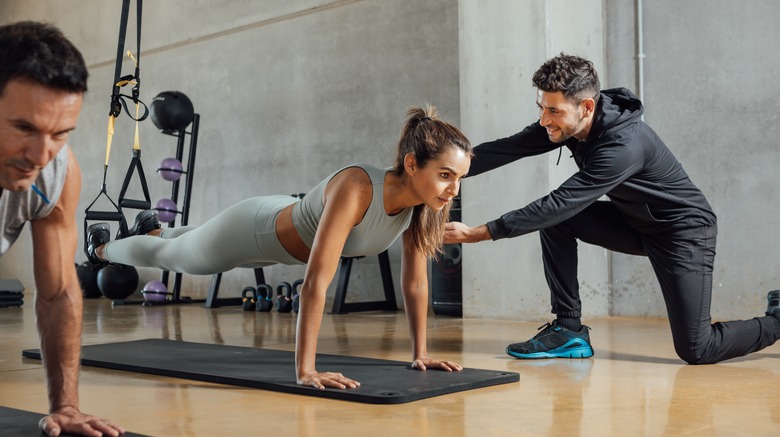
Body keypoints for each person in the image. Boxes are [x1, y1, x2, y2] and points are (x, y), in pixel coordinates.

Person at [87, 105, 471, 388]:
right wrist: (306, 370)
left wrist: (419, 354)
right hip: (255, 229)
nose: (452, 189)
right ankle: (102, 250)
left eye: (458, 178)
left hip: (278, 226)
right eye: (444, 175)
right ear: (410, 164)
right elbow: (316, 282)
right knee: (177, 258)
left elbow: (416, 284)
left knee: (183, 241)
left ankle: (150, 229)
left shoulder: (423, 207)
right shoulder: (358, 187)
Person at [444, 53, 780, 364]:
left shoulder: (623, 145)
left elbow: (564, 200)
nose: (544, 120)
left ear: (586, 107)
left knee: (697, 348)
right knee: (559, 221)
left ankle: (777, 320)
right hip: (636, 224)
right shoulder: (568, 125)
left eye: (554, 111)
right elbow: (505, 149)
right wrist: (436, 171)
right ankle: (568, 329)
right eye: (542, 107)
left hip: (684, 233)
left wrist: (480, 233)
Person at [0, 22, 125, 437]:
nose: (40, 154)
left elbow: (57, 293)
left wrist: (66, 406)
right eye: (23, 128)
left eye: (59, 133)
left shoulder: (56, 171)